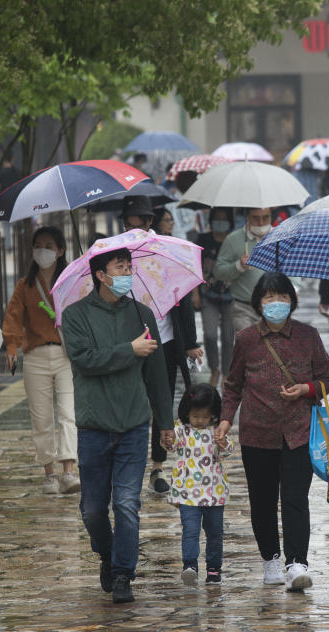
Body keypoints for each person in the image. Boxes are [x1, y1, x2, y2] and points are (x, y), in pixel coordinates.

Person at [61, 247, 175, 604]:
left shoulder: (143, 315)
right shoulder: (74, 315)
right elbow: (84, 360)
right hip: (94, 424)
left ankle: (124, 573)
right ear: (100, 274)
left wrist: (165, 422)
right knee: (93, 509)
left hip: (134, 423)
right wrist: (129, 350)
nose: (127, 272)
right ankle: (107, 553)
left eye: (129, 266)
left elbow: (156, 374)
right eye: (119, 267)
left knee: (127, 502)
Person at [217, 272, 329, 592]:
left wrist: (306, 389)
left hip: (298, 432)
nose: (276, 304)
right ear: (258, 302)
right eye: (269, 298)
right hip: (257, 434)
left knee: (295, 499)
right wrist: (226, 420)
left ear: (292, 301)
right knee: (263, 501)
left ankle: (297, 563)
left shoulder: (308, 336)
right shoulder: (246, 339)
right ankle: (270, 559)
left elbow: (327, 381)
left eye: (282, 297)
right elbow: (233, 386)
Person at [2, 226, 79, 495]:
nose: (42, 251)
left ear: (61, 251)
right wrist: (11, 346)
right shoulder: (25, 285)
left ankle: (69, 471)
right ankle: (49, 473)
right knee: (41, 417)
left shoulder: (72, 281)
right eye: (38, 245)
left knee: (69, 415)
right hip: (34, 356)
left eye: (49, 245)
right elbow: (13, 317)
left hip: (65, 355)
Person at [145, 206, 203, 495]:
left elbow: (183, 303)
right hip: (131, 346)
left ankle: (157, 465)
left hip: (166, 344)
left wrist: (190, 343)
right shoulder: (123, 259)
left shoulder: (169, 255)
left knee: (162, 404)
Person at [165, 383, 234, 586]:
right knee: (190, 530)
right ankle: (190, 565)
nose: (200, 421)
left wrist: (223, 443)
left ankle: (214, 568)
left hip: (214, 491)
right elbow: (171, 443)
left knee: (215, 533)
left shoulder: (216, 430)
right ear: (187, 411)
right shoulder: (181, 429)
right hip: (187, 492)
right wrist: (167, 440)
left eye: (205, 416)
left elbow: (227, 450)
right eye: (196, 416)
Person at [213, 207, 273, 333]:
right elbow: (218, 271)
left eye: (265, 217)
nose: (261, 223)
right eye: (256, 218)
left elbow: (292, 267)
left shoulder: (281, 238)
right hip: (244, 308)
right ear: (248, 217)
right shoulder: (233, 240)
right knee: (250, 347)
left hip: (274, 307)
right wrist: (239, 266)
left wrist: (294, 287)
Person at [195, 208, 235, 389]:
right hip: (207, 294)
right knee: (210, 335)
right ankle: (214, 369)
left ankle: (226, 373)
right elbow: (194, 266)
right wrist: (194, 293)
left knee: (228, 336)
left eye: (224, 219)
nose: (221, 223)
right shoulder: (203, 240)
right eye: (217, 219)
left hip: (231, 295)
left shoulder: (234, 241)